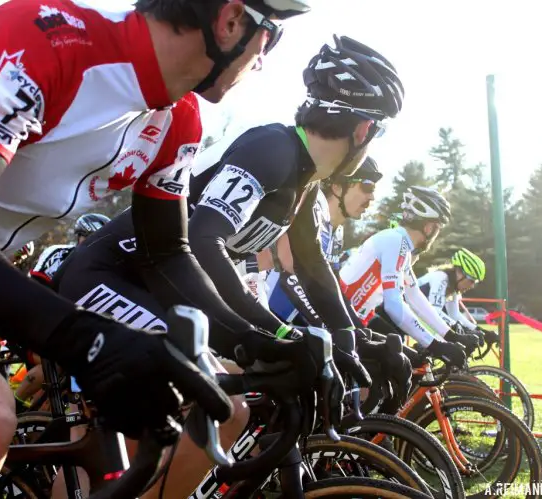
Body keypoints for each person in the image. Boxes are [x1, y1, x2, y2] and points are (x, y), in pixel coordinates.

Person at [0, 0, 311, 496]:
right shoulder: (49, 38)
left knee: (209, 401)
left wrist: (255, 343)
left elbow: (166, 252)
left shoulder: (178, 120)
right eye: (270, 39)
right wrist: (86, 340)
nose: (263, 60)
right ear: (232, 20)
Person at [50, 35, 402, 497]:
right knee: (212, 404)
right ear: (364, 130)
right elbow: (201, 240)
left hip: (165, 290)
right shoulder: (272, 150)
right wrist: (270, 333)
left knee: (231, 407)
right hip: (110, 275)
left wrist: (353, 341)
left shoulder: (303, 183)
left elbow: (316, 274)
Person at [339, 186, 473, 365]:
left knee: (408, 362)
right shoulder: (396, 242)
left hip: (356, 318)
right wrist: (435, 345)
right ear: (428, 228)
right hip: (342, 321)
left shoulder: (401, 246)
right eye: (437, 228)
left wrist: (450, 335)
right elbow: (394, 305)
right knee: (398, 367)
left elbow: (414, 296)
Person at [265, 156, 382, 325]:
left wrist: (356, 327)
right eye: (367, 187)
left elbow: (332, 288)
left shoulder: (337, 232)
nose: (372, 197)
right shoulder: (312, 212)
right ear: (337, 187)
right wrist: (330, 326)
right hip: (263, 309)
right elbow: (290, 279)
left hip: (285, 318)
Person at [416, 248, 499, 346]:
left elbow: (454, 315)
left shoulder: (453, 288)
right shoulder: (441, 278)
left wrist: (482, 331)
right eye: (471, 280)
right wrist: (460, 327)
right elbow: (434, 312)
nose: (472, 286)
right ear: (460, 273)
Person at [30, 213, 111, 285]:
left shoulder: (108, 268)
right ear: (79, 235)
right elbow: (36, 285)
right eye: (88, 237)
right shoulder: (59, 253)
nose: (91, 243)